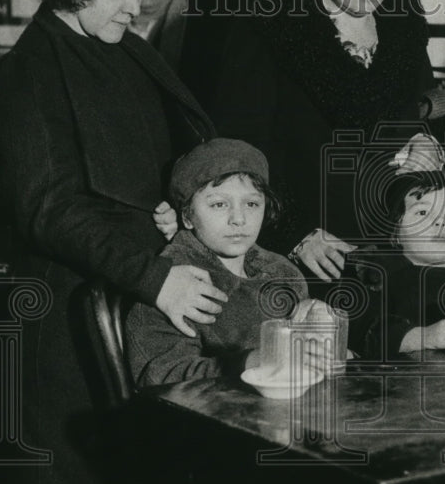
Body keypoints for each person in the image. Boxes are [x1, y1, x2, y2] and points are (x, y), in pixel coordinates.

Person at [0, 0, 219, 484]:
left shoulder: (127, 54)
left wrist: (174, 205)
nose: (136, 5)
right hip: (65, 325)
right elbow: (48, 207)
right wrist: (156, 274)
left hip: (139, 310)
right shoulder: (24, 75)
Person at [206, 0, 445, 282]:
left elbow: (423, 107)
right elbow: (240, 151)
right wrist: (295, 234)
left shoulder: (401, 24)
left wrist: (429, 139)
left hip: (392, 243)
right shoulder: (270, 27)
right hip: (309, 249)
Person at [125, 138, 325, 387]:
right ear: (187, 216)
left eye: (252, 204)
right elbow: (161, 377)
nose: (239, 219)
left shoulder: (282, 273)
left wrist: (324, 348)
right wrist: (250, 362)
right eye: (219, 204)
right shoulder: (172, 280)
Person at [345, 170, 445, 359]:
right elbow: (362, 329)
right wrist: (424, 337)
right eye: (422, 212)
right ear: (395, 232)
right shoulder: (378, 274)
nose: (440, 222)